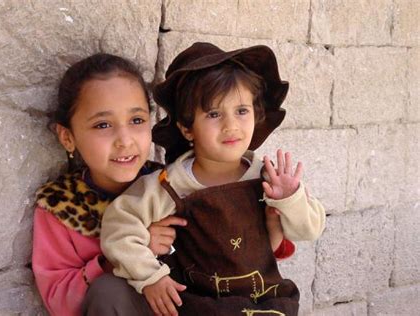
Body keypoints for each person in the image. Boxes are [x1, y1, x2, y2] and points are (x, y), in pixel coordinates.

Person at [100, 42, 326, 316]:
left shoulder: (268, 178)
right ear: (187, 128)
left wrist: (291, 199)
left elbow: (310, 229)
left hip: (266, 303)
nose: (231, 125)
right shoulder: (169, 185)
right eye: (214, 114)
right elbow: (118, 227)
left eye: (241, 111)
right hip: (200, 306)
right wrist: (149, 276)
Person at [31, 53, 188, 316]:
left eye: (136, 120)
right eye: (103, 124)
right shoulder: (60, 207)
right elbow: (59, 301)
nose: (124, 140)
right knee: (109, 290)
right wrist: (127, 252)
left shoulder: (171, 186)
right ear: (68, 137)